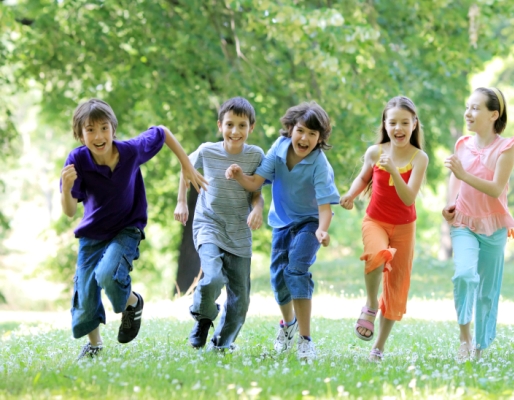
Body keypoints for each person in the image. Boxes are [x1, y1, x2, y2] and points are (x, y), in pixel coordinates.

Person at [60, 98, 207, 360]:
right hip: (92, 235)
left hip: (126, 229)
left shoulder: (130, 151)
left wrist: (186, 164)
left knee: (107, 274)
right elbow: (70, 211)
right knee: (84, 292)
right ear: (80, 135)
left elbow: (162, 132)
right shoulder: (77, 160)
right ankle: (94, 345)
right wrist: (67, 187)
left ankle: (132, 302)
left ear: (113, 129)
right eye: (90, 130)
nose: (98, 135)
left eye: (104, 127)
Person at [225, 101, 339, 361]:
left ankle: (305, 340)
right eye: (301, 130)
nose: (305, 138)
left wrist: (322, 231)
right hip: (283, 222)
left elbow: (324, 207)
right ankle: (288, 327)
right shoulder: (279, 148)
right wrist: (240, 175)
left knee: (296, 271)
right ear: (290, 129)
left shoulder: (319, 165)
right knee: (278, 279)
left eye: (312, 134)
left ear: (320, 139)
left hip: (310, 223)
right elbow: (257, 181)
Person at [340, 96, 429, 362]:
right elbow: (363, 176)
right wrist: (351, 194)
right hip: (375, 220)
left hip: (404, 227)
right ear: (385, 124)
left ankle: (378, 346)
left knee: (396, 286)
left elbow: (409, 198)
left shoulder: (419, 158)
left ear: (414, 124)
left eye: (404, 122)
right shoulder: (375, 152)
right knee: (376, 255)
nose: (398, 128)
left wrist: (393, 170)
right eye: (393, 123)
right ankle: (370, 304)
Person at [174, 97, 265, 351]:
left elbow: (257, 191)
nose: (235, 131)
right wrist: (182, 201)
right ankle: (203, 316)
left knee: (241, 300)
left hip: (239, 231)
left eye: (242, 125)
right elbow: (186, 168)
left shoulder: (256, 155)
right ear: (220, 125)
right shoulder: (207, 151)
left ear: (251, 128)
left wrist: (257, 209)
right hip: (208, 223)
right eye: (230, 124)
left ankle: (221, 344)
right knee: (212, 276)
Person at [442, 87, 514, 361]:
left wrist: (463, 174)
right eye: (468, 107)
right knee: (464, 275)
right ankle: (464, 338)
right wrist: (449, 203)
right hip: (464, 222)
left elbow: (496, 187)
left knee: (488, 291)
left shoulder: (506, 148)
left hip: (494, 227)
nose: (468, 113)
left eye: (475, 108)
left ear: (493, 115)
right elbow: (454, 179)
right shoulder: (462, 144)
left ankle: (480, 347)